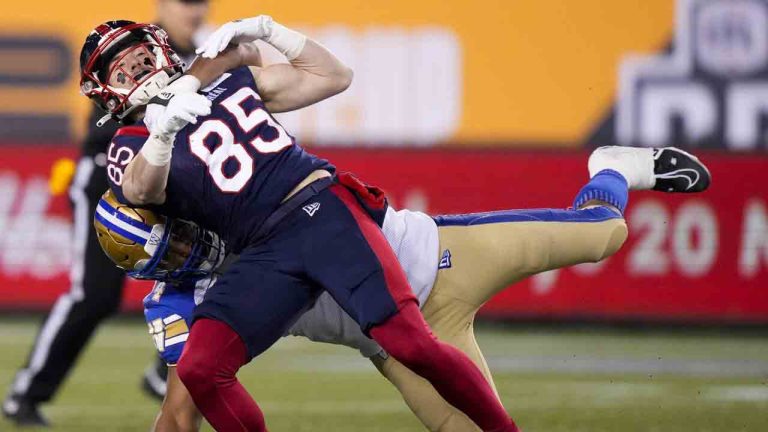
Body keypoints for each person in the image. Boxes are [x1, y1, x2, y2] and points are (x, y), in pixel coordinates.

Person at [79, 15, 520, 432]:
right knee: (201, 368)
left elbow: (325, 74)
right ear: (107, 94)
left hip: (319, 211)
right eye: (121, 69)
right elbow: (139, 189)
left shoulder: (219, 84)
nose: (136, 66)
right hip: (263, 249)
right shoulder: (130, 143)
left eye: (139, 54)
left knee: (412, 344)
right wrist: (162, 133)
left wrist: (267, 34)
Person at [93, 142, 711, 431]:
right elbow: (180, 412)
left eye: (180, 234)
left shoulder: (232, 200)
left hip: (441, 256)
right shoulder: (180, 302)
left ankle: (613, 167)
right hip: (391, 342)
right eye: (173, 256)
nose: (191, 250)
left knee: (605, 233)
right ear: (152, 275)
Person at [2, 1, 212, 426]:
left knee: (210, 273)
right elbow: (116, 121)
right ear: (163, 5)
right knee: (94, 295)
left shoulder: (196, 54)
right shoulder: (133, 46)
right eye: (185, 1)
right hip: (109, 176)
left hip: (167, 178)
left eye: (201, 1)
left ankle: (165, 374)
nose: (195, 10)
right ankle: (26, 392)